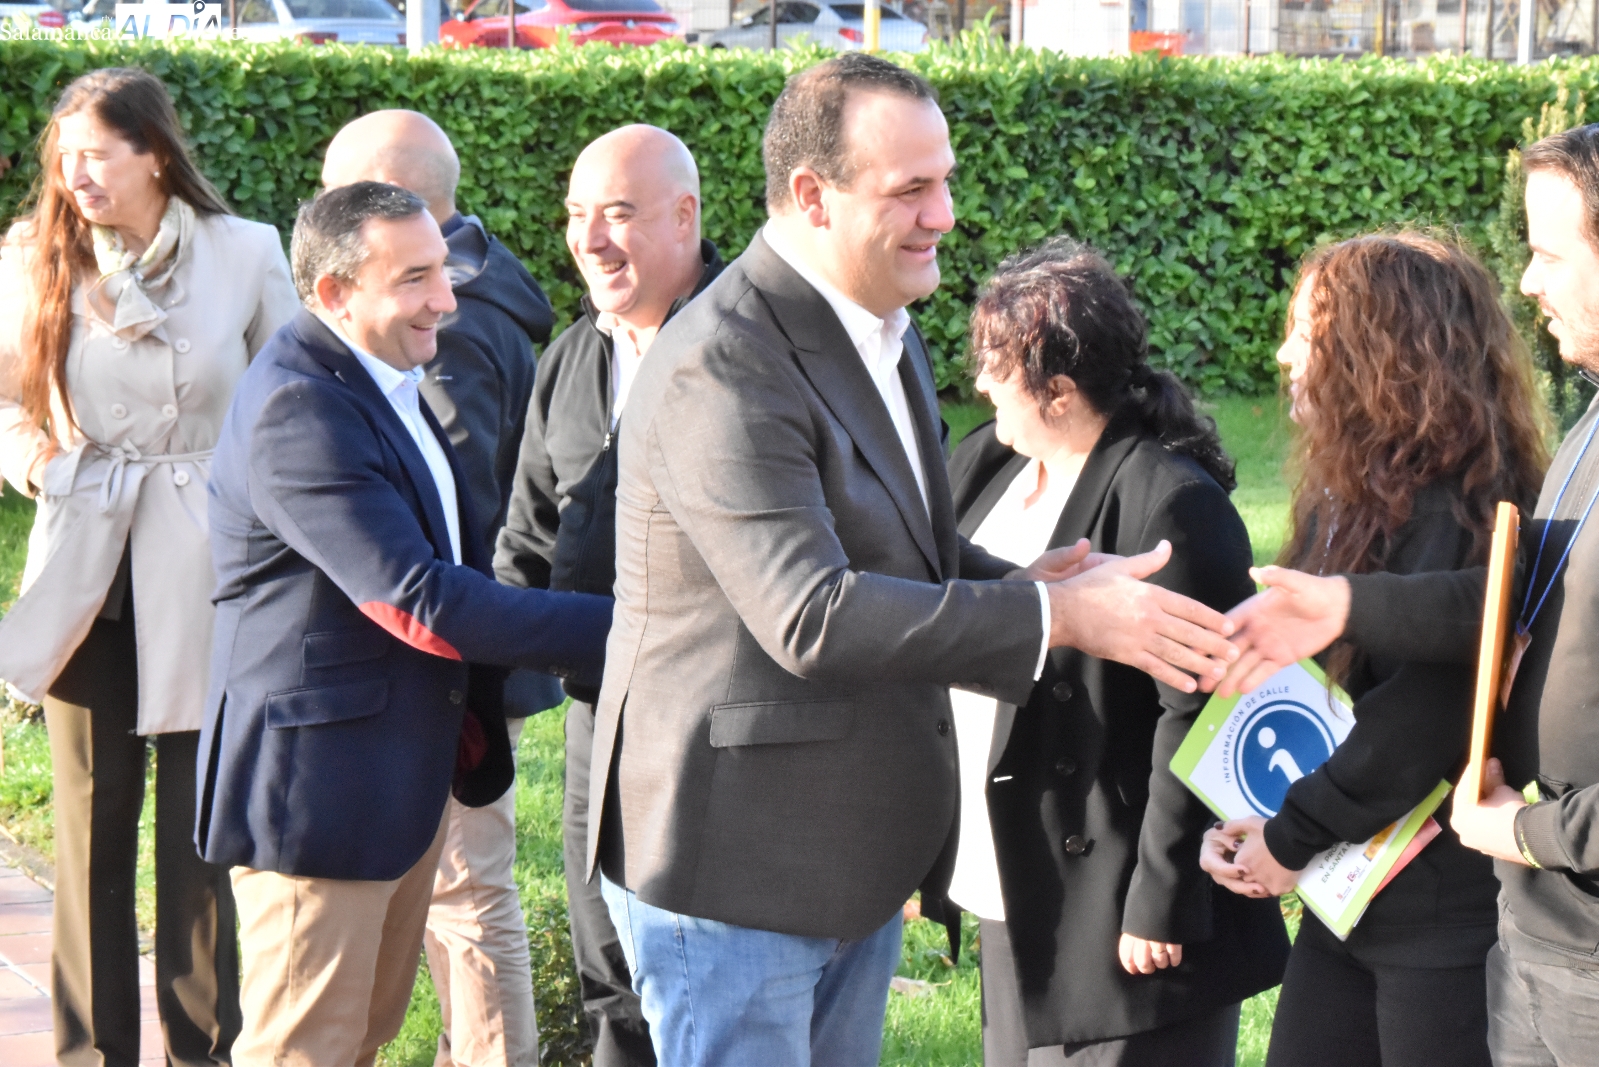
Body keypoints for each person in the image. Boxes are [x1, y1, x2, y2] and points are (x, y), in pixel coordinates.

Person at [588, 53, 1240, 1067]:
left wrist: (1021, 584)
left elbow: (901, 544)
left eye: (944, 181)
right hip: (733, 872)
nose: (943, 215)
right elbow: (810, 612)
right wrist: (1055, 620)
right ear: (812, 195)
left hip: (841, 858)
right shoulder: (724, 360)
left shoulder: (882, 325)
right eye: (910, 190)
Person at [197, 181, 614, 1067]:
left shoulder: (381, 375)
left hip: (390, 782)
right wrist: (631, 629)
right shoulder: (298, 406)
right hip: (317, 802)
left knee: (360, 1039)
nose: (446, 299)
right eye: (414, 278)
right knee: (304, 1051)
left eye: (442, 270)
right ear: (335, 292)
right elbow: (418, 600)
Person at [0, 68, 299, 1067]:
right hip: (85, 558)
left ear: (155, 153)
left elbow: (289, 400)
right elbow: (3, 398)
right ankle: (91, 1053)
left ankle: (203, 1047)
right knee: (90, 823)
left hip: (209, 562)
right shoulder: (32, 255)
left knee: (199, 826)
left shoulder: (246, 250)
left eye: (97, 154)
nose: (76, 175)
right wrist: (40, 463)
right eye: (65, 157)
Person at [931, 238, 1289, 1066]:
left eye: (994, 367)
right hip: (1017, 879)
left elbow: (1202, 712)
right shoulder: (983, 463)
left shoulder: (1171, 504)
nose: (979, 384)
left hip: (1120, 904)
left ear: (1057, 391)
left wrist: (1160, 899)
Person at [1201, 233, 1549, 1066]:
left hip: (1434, 912)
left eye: (1306, 334)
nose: (1284, 355)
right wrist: (1262, 818)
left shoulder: (1461, 508)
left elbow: (1415, 726)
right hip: (1348, 891)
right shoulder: (1356, 494)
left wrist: (1289, 837)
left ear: (1382, 355)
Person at [321, 108, 565, 1067]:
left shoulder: (439, 321)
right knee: (464, 892)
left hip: (456, 657)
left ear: (392, 201)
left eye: (340, 198)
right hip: (469, 646)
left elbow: (451, 506)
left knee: (465, 896)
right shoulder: (479, 285)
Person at [494, 123, 721, 1067]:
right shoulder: (571, 358)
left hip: (718, 727)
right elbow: (528, 539)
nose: (589, 240)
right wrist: (478, 685)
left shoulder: (749, 347)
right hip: (598, 715)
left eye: (618, 214)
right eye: (576, 214)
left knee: (705, 978)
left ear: (685, 216)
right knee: (610, 977)